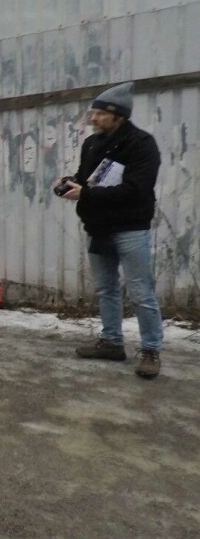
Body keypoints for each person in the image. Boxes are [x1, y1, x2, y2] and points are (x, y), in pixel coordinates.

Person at [57, 82, 163, 379]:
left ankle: (151, 349)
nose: (94, 118)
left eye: (100, 114)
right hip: (99, 226)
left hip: (130, 227)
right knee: (106, 289)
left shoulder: (141, 144)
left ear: (119, 116)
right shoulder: (92, 144)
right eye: (94, 113)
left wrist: (85, 195)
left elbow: (135, 189)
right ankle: (112, 342)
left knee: (141, 291)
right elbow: (85, 179)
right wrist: (67, 183)